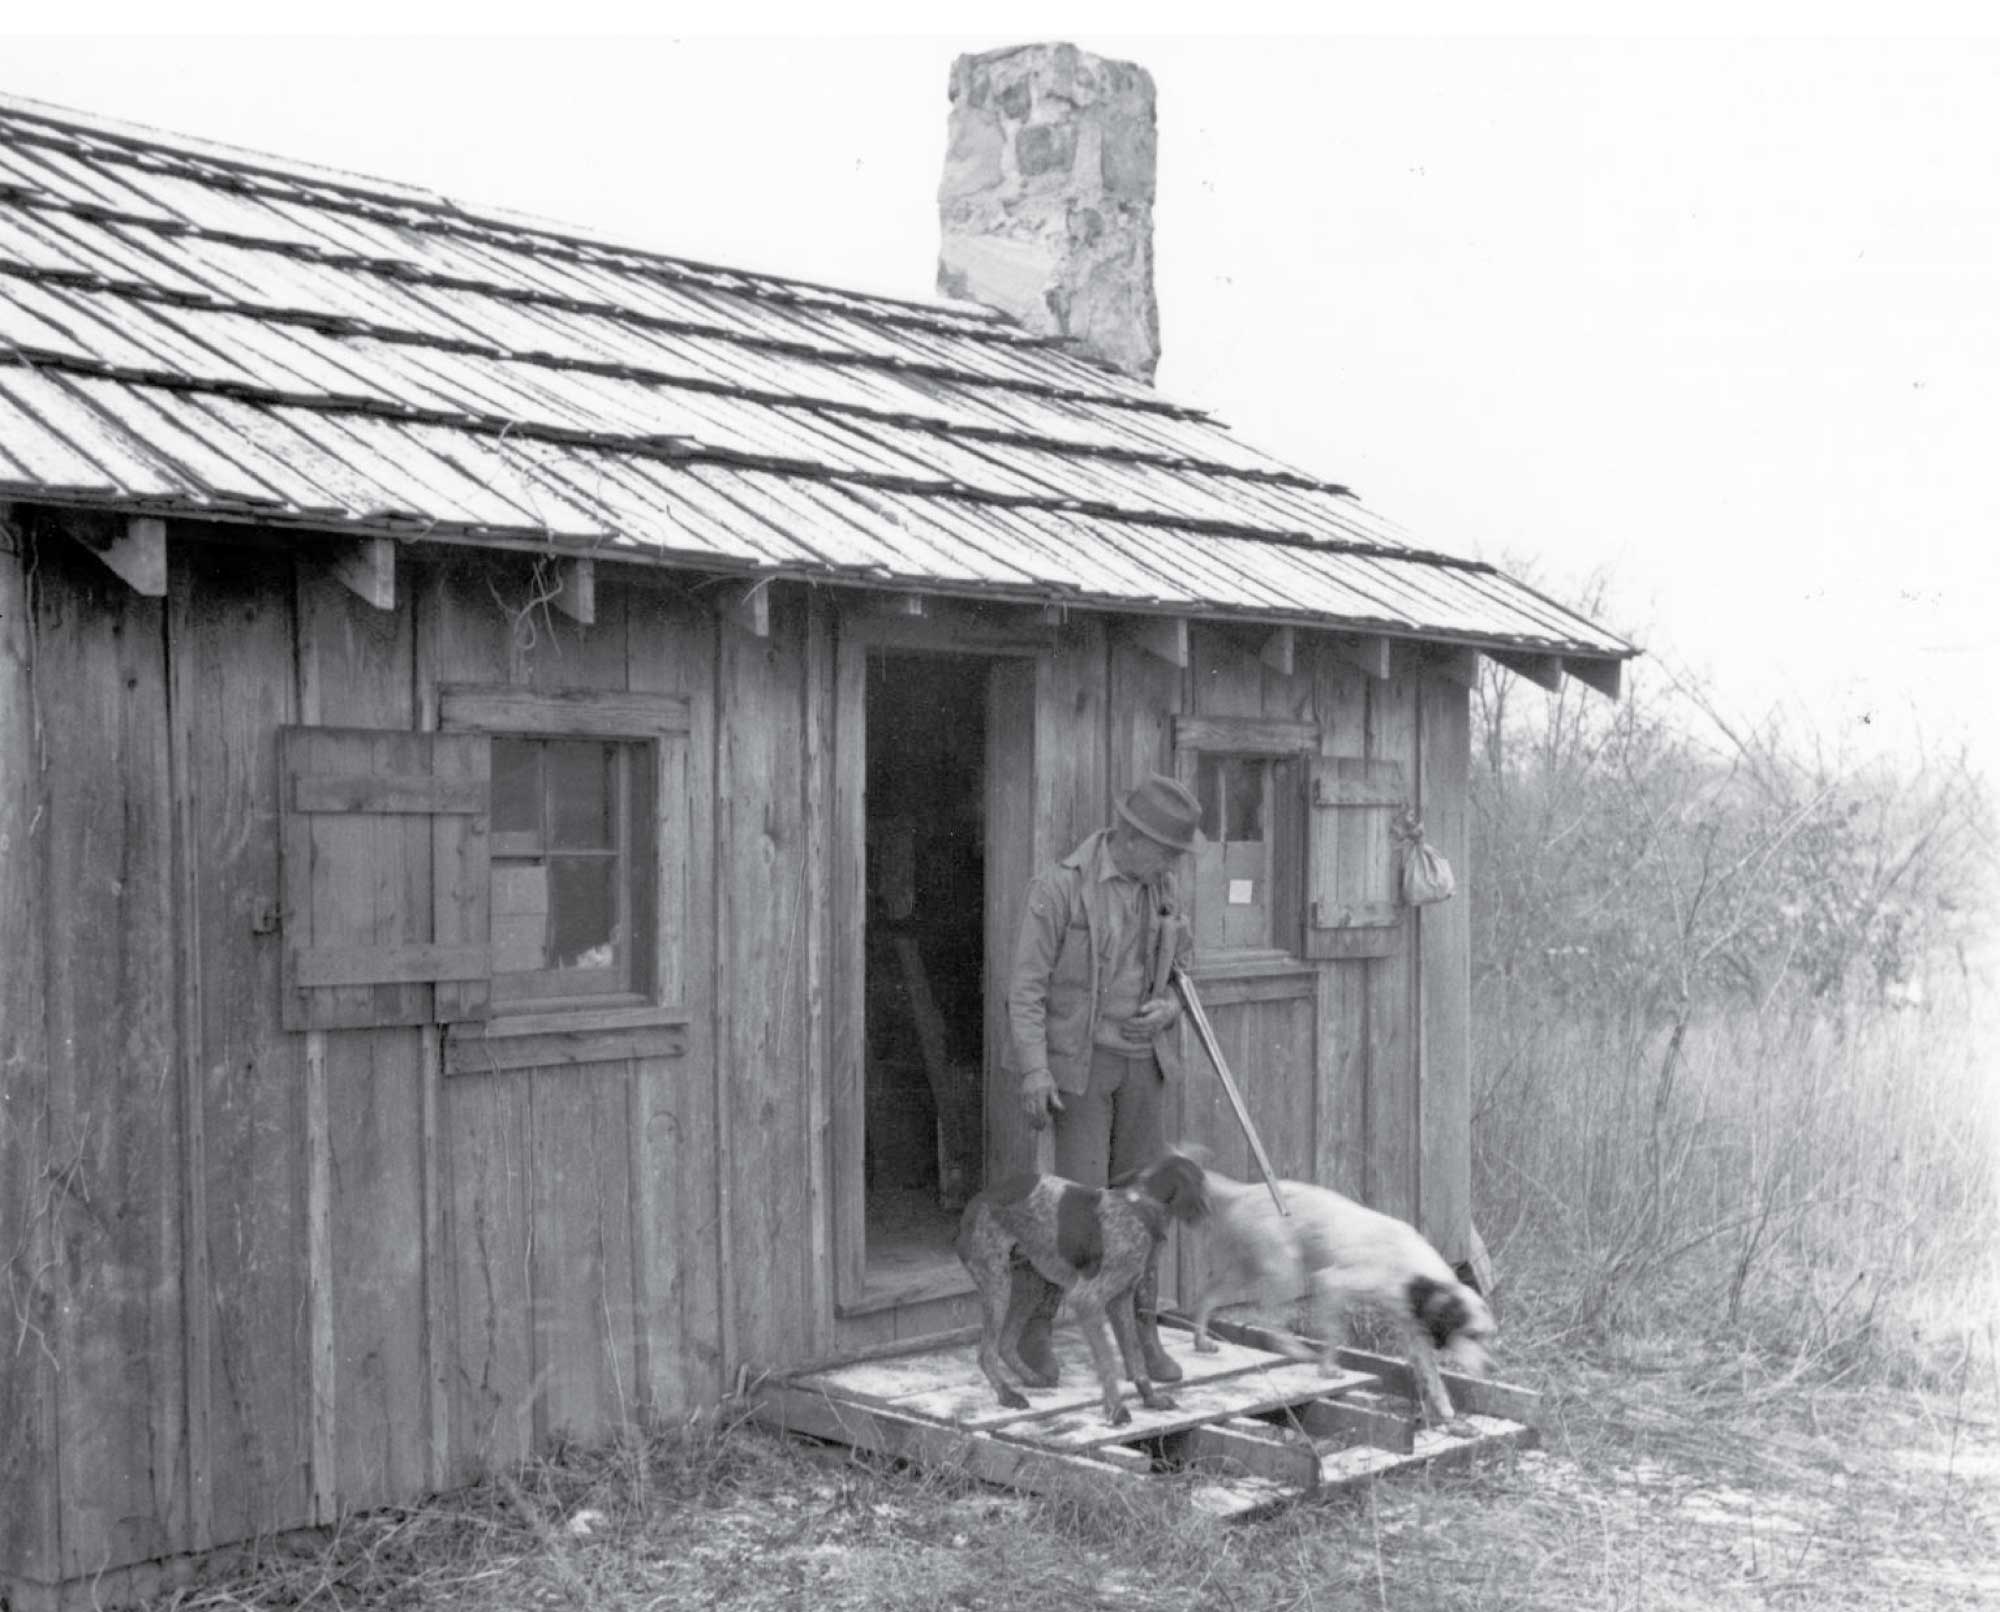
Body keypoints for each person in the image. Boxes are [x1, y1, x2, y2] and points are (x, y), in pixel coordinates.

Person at [1006, 772, 1200, 1384]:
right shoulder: (1060, 888)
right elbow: (1025, 990)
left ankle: (1141, 1336)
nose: (1172, 863)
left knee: (1144, 1209)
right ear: (1133, 838)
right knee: (1075, 1209)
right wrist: (1035, 1071)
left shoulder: (1162, 889)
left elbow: (1183, 974)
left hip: (1143, 1067)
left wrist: (1168, 1009)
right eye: (1167, 850)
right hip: (1080, 1070)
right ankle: (1030, 1328)